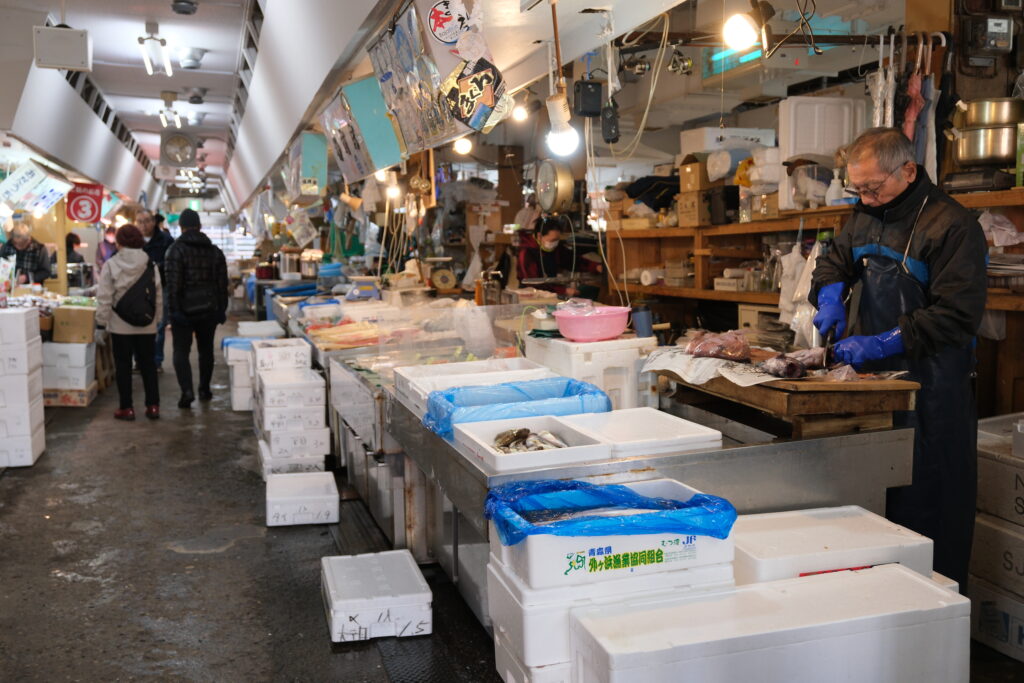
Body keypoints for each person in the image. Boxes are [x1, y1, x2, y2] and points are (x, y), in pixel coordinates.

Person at [810, 127, 987, 591]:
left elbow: (956, 315)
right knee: (874, 506)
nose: (866, 197)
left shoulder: (952, 226)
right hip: (875, 390)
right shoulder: (866, 215)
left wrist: (884, 342)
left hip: (934, 392)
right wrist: (829, 294)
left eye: (873, 186)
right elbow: (835, 259)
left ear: (908, 170)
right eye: (858, 188)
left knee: (929, 506)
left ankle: (933, 621)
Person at [95, 224, 161, 421]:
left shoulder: (111, 264)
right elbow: (157, 296)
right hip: (146, 325)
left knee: (123, 366)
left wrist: (100, 324)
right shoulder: (150, 263)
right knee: (148, 365)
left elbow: (104, 297)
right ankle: (153, 406)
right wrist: (157, 321)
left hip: (120, 326)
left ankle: (127, 408)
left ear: (119, 241)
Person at [165, 209, 228, 408]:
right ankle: (204, 389)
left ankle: (187, 391)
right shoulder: (215, 251)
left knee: (181, 352)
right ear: (200, 226)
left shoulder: (175, 250)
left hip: (183, 310)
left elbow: (172, 285)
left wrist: (174, 311)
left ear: (181, 227)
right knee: (206, 350)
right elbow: (222, 285)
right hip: (209, 309)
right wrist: (221, 310)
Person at [516, 217, 601, 298]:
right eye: (552, 240)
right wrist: (562, 291)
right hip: (531, 295)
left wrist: (596, 266)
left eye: (557, 240)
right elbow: (533, 283)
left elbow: (572, 261)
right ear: (539, 236)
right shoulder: (526, 253)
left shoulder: (556, 248)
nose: (555, 243)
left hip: (550, 293)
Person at [138, 209, 174, 370]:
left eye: (146, 221)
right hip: (137, 289)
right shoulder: (133, 240)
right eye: (139, 221)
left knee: (159, 324)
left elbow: (172, 263)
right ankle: (139, 361)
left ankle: (156, 360)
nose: (143, 225)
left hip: (161, 288)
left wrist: (157, 268)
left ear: (153, 222)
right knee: (138, 323)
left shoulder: (166, 240)